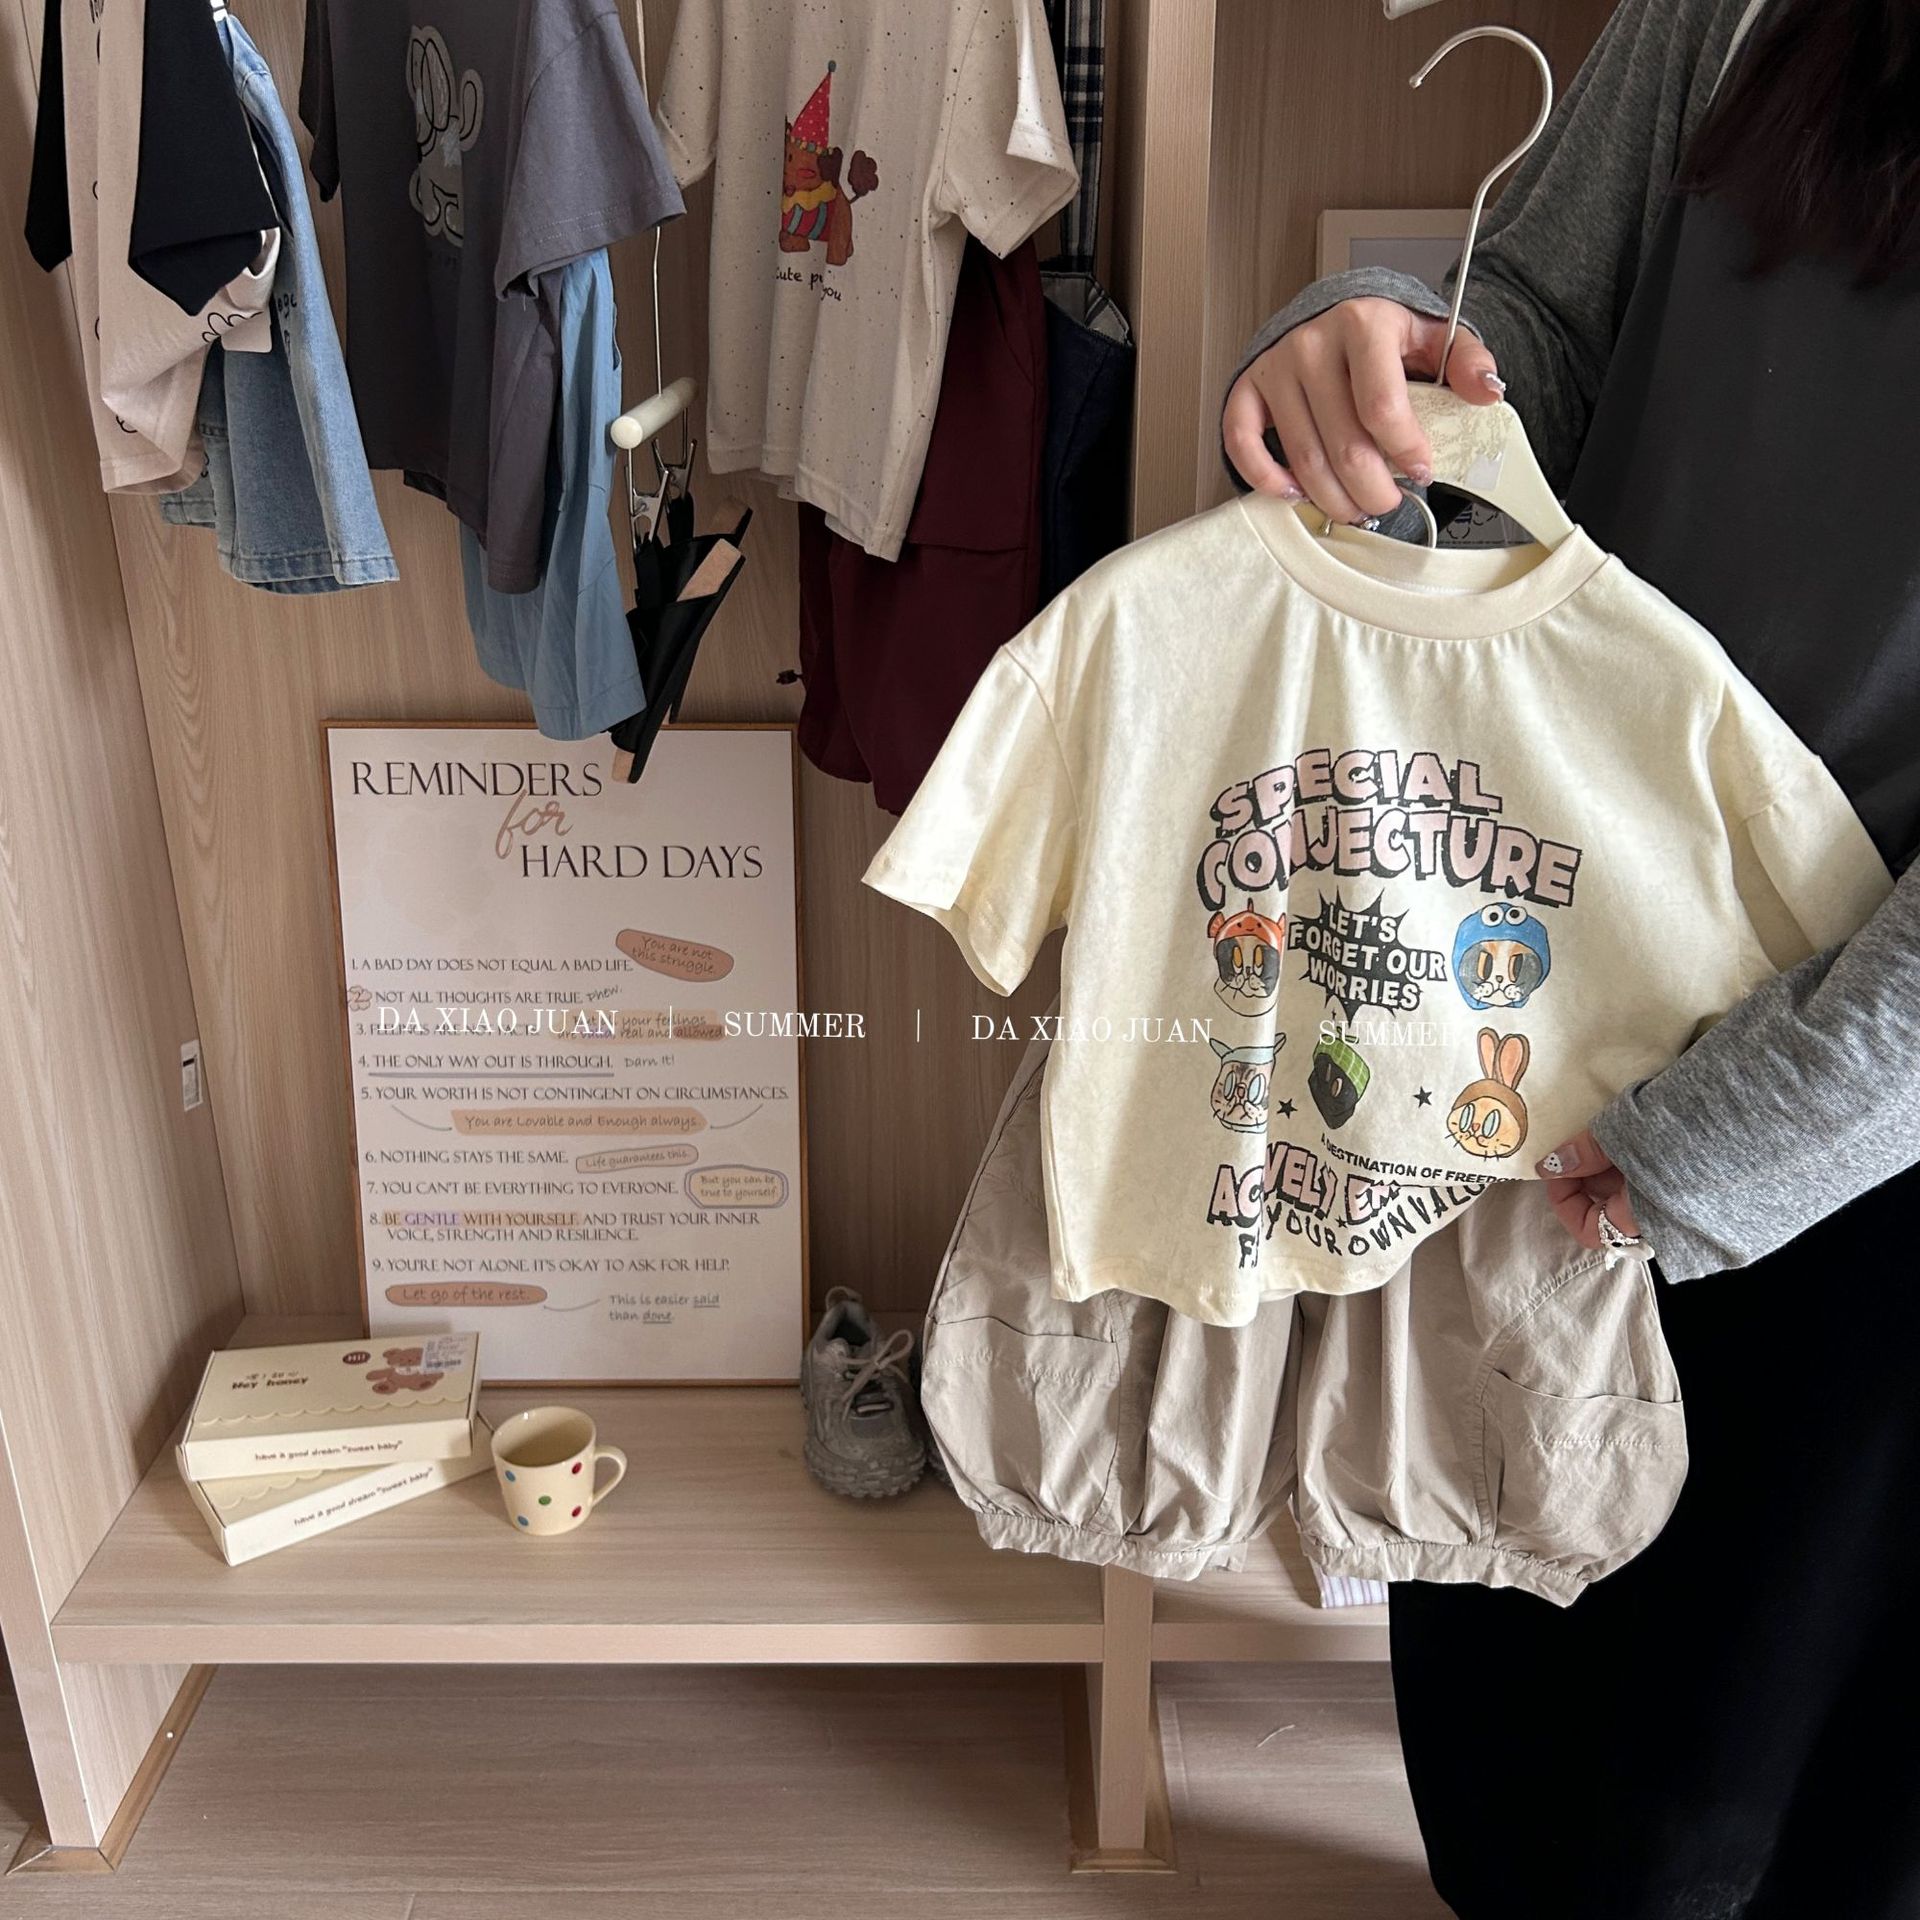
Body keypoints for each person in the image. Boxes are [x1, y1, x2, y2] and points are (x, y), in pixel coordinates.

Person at [1222, 1, 1920, 1914]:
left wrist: (1759, 1130)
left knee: (1751, 1803)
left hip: (1871, 1128)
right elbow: (1539, 309)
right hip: (1534, 982)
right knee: (1498, 1719)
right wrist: (1375, 366)